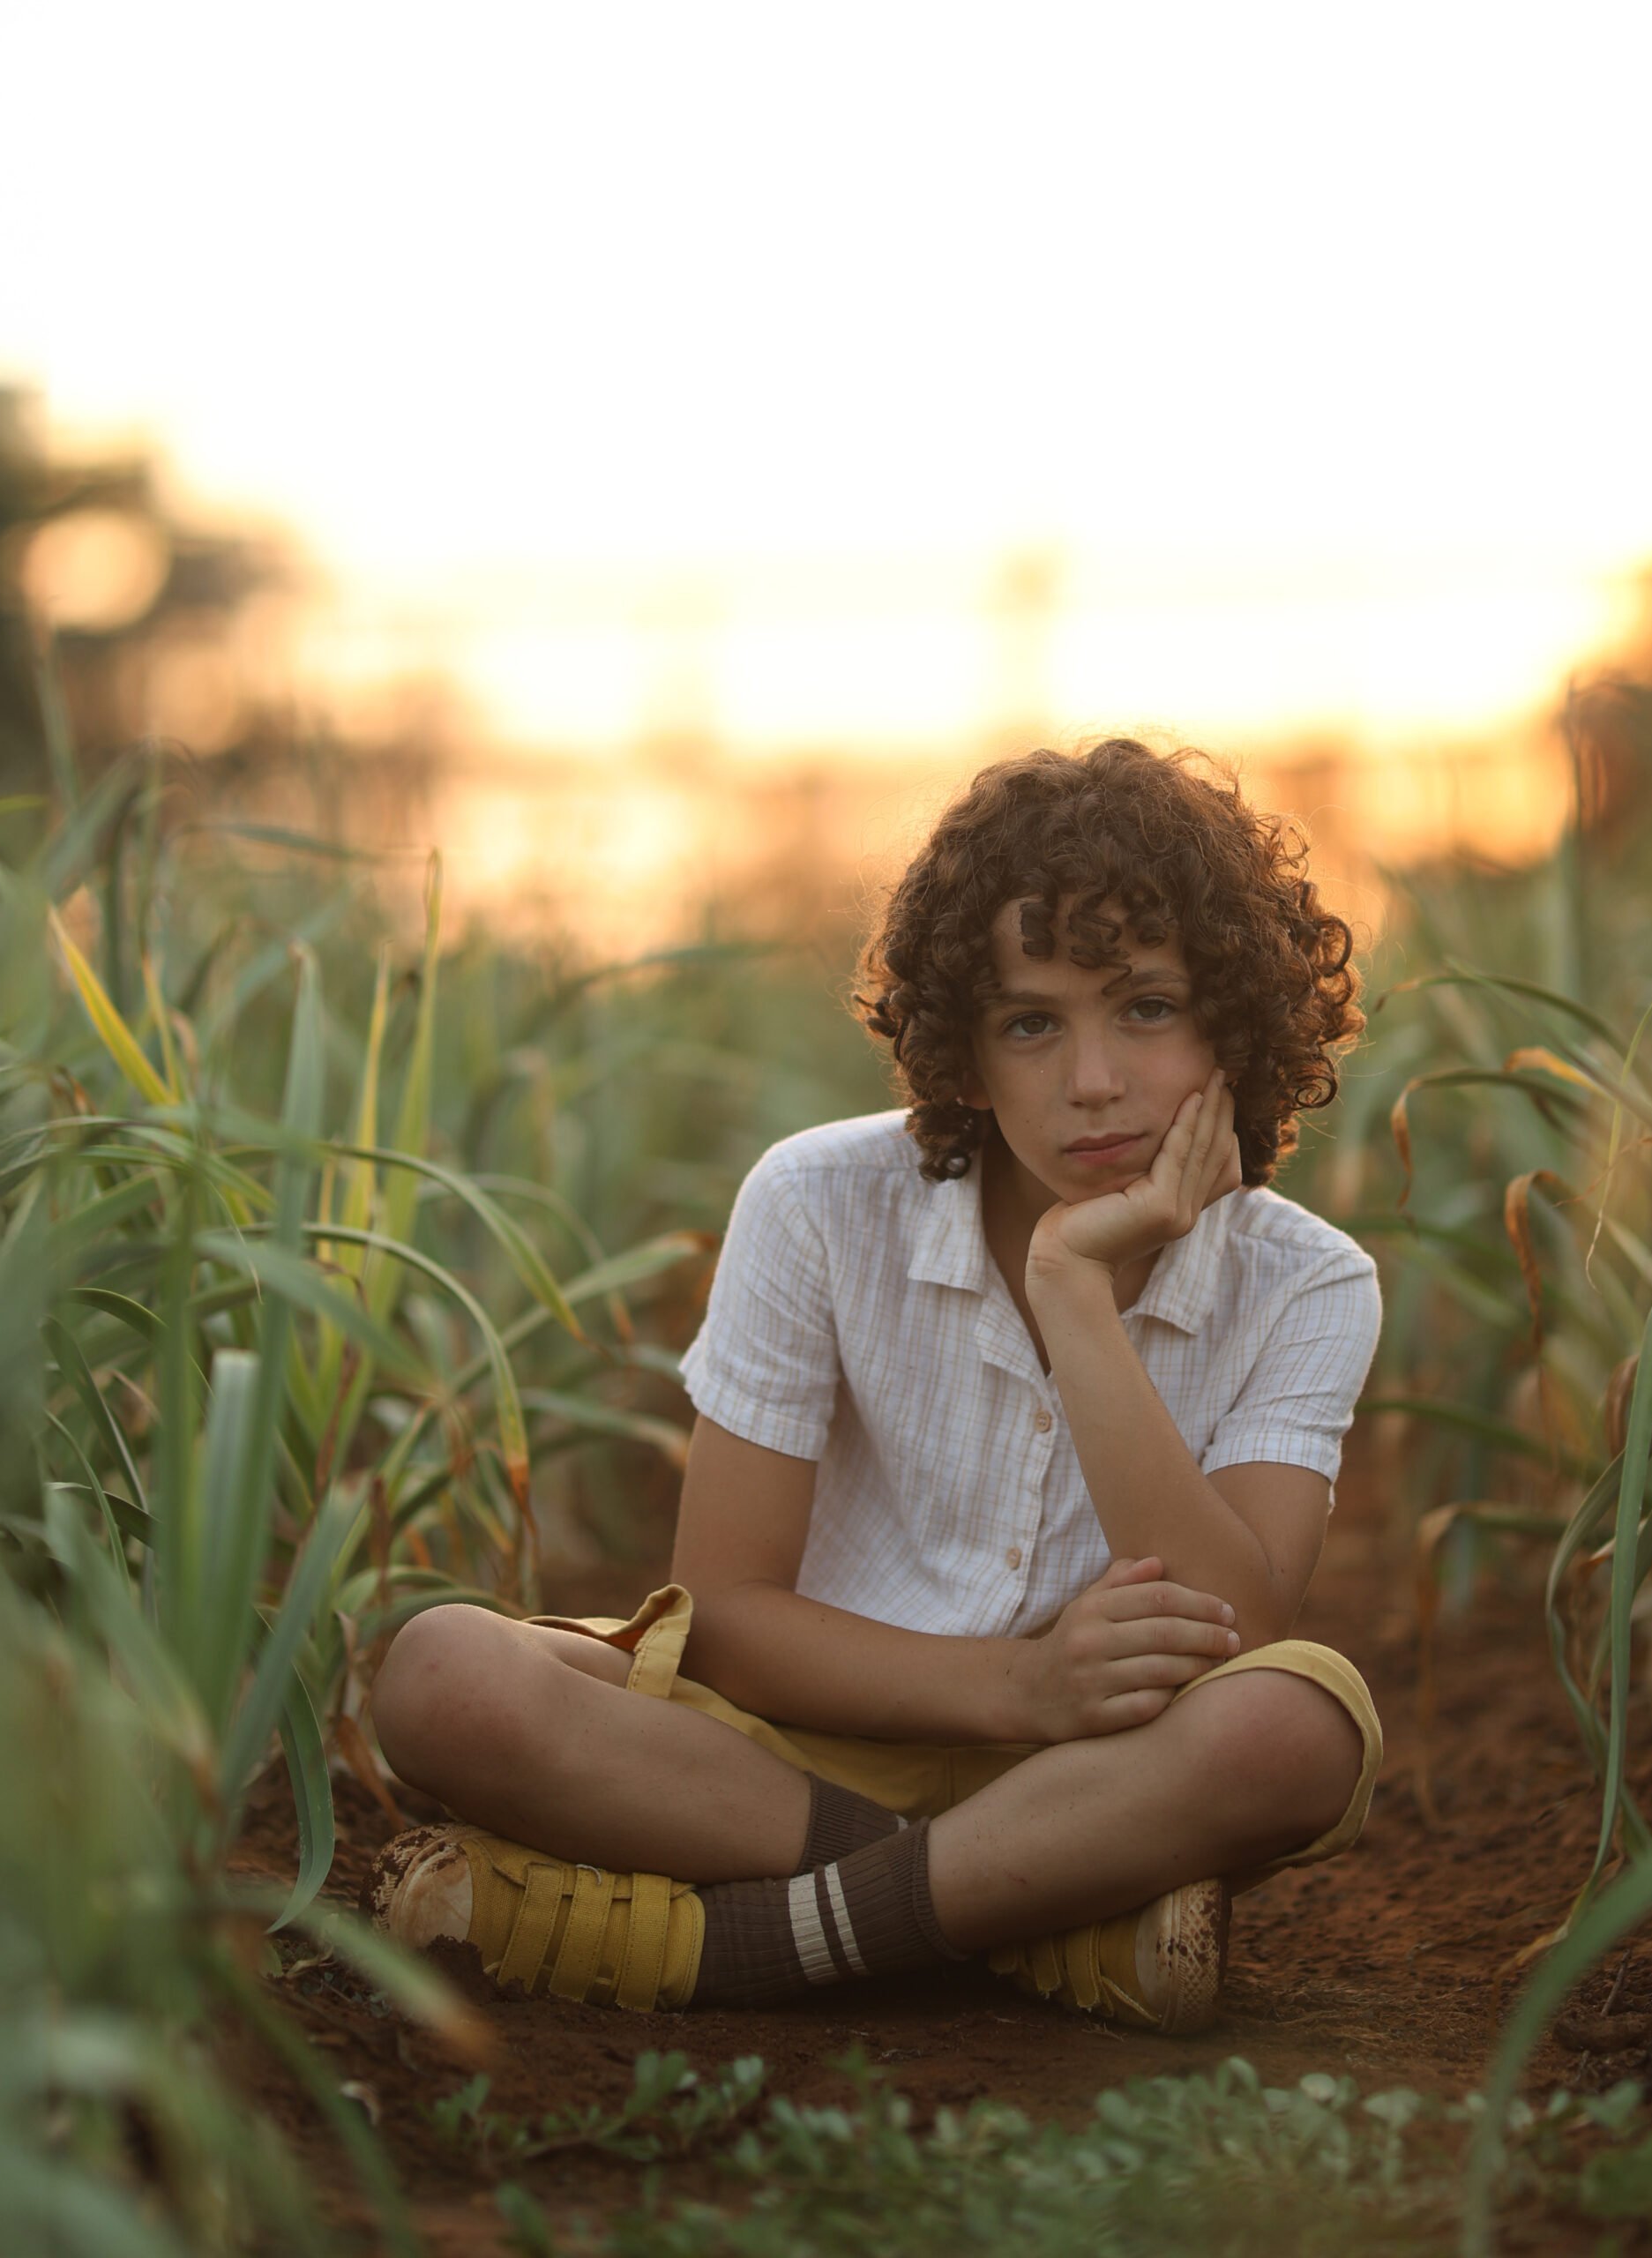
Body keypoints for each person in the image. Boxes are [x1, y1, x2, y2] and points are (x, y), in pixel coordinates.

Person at [364, 736, 1383, 2032]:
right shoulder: (818, 1201)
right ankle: (1026, 1928)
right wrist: (1021, 1687)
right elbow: (727, 1615)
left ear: (1234, 1023)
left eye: (1147, 1006)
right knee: (444, 1675)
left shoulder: (1307, 1281)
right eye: (1031, 1023)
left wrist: (1075, 1293)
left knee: (1293, 1730)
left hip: (1105, 1773)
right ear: (963, 1057)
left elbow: (1229, 1631)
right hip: (788, 1749)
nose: (1093, 1081)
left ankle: (740, 1946)